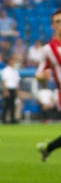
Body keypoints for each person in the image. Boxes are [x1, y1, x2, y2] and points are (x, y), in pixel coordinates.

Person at [36, 10, 61, 161]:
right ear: (53, 26)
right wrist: (41, 76)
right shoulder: (48, 49)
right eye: (57, 22)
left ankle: (47, 148)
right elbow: (39, 73)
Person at [1, 55, 20, 124]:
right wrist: (5, 90)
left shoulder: (15, 71)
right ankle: (4, 119)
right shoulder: (6, 70)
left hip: (13, 89)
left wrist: (17, 91)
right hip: (8, 88)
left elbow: (17, 82)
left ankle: (12, 119)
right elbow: (4, 81)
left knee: (13, 105)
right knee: (6, 105)